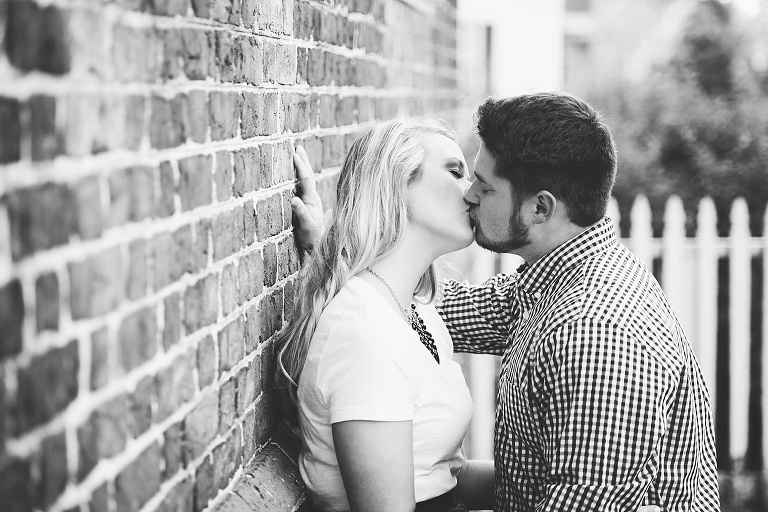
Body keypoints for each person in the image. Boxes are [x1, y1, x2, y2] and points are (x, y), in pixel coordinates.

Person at [290, 93, 719, 511]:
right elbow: (404, 310)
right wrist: (335, 245)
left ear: (540, 208)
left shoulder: (596, 330)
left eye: (485, 185)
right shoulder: (549, 285)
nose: (470, 195)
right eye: (463, 174)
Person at [275, 119, 495, 512]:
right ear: (398, 183)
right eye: (455, 172)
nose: (473, 193)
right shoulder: (365, 331)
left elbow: (443, 476)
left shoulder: (418, 313)